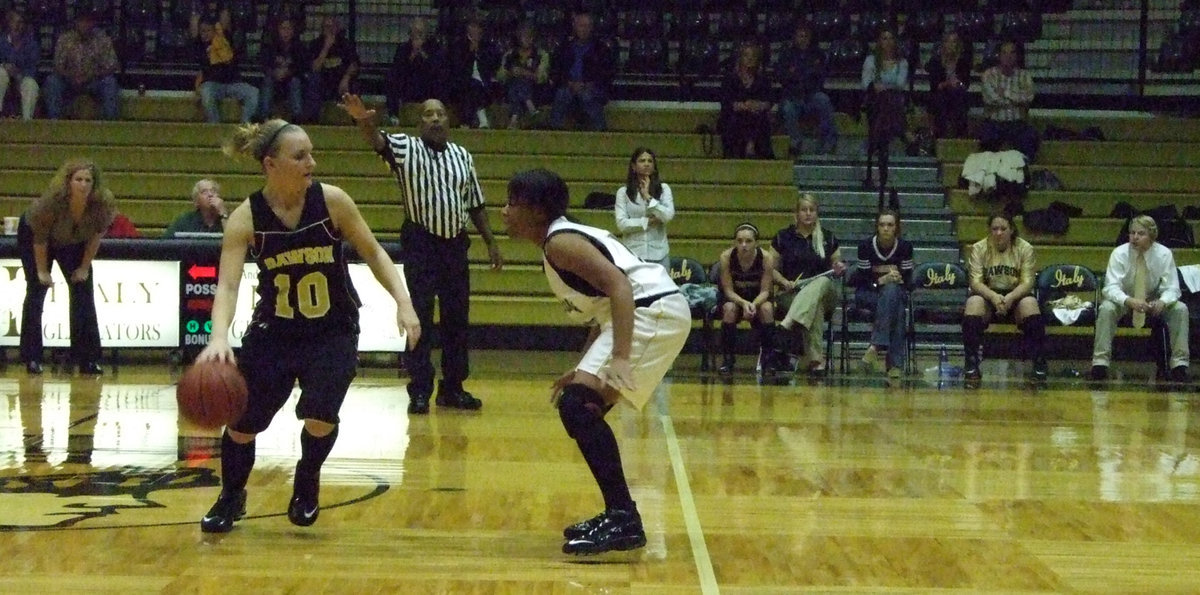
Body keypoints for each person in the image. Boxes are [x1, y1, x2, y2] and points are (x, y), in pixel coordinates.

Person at [195, 119, 421, 533]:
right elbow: (227, 286)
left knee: (320, 415)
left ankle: (307, 478)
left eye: (311, 154)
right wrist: (219, 336)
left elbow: (374, 252)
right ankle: (231, 495)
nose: (312, 163)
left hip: (333, 329)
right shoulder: (246, 218)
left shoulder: (332, 201)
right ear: (271, 164)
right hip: (275, 331)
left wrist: (404, 302)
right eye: (300, 156)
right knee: (242, 424)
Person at [500, 167, 690, 555]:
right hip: (644, 310)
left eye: (512, 203)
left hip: (652, 310)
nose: (504, 211)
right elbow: (605, 308)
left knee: (578, 406)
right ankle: (620, 515)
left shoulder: (561, 243)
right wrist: (584, 365)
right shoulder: (559, 241)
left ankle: (623, 517)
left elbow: (619, 286)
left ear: (537, 211)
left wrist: (619, 357)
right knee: (579, 403)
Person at [341, 93, 503, 415]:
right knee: (420, 319)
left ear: (449, 119)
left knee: (457, 320)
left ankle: (453, 388)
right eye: (428, 114)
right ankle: (419, 390)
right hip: (421, 244)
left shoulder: (462, 155)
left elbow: (475, 203)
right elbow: (376, 141)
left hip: (455, 245)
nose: (435, 118)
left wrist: (490, 241)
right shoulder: (407, 148)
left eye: (440, 113)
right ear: (420, 123)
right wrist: (362, 120)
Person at [17, 158, 115, 375]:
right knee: (36, 289)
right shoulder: (52, 202)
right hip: (35, 236)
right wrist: (42, 271)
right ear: (68, 182)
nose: (83, 184)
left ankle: (88, 359)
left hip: (73, 238)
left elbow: (96, 236)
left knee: (83, 289)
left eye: (88, 180)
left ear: (94, 183)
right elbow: (40, 238)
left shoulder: (102, 203)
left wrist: (84, 267)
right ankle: (32, 357)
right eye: (78, 179)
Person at [1091, 215, 1190, 383]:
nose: (1135, 237)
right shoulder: (1119, 253)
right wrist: (1128, 300)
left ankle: (1179, 365)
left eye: (1140, 233)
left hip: (1153, 299)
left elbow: (1172, 288)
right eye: (1132, 233)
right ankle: (1100, 363)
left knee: (1180, 309)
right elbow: (1110, 287)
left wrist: (1163, 301)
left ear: (1152, 236)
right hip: (1125, 299)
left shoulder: (1164, 254)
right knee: (1106, 308)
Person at [963, 212, 1046, 385]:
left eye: (1003, 229)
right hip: (988, 294)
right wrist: (994, 297)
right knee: (973, 303)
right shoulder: (979, 248)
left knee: (1030, 304)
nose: (998, 233)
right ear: (989, 230)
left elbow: (1028, 282)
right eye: (995, 229)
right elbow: (975, 282)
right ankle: (971, 361)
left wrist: (1010, 297)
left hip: (1016, 294)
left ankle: (1039, 361)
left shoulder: (1025, 248)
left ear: (1012, 230)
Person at [770, 194, 845, 375]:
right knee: (814, 306)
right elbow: (770, 270)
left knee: (822, 281)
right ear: (796, 213)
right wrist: (783, 281)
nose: (808, 213)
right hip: (791, 293)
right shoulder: (782, 237)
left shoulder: (828, 238)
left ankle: (786, 325)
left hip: (826, 293)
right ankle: (816, 361)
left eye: (812, 210)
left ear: (817, 213)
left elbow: (837, 266)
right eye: (804, 210)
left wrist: (839, 268)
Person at [852, 209, 914, 377]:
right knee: (896, 305)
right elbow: (862, 281)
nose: (886, 228)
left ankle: (874, 347)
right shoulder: (865, 246)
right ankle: (894, 364)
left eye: (890, 225)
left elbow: (908, 280)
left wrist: (899, 279)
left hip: (894, 293)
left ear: (896, 228)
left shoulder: (905, 247)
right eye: (882, 225)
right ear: (877, 227)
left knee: (893, 294)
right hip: (868, 294)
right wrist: (880, 281)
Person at [716, 223, 776, 376]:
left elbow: (765, 291)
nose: (744, 245)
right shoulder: (726, 257)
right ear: (734, 242)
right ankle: (728, 360)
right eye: (740, 241)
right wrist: (743, 304)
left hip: (758, 298)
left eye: (748, 241)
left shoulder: (766, 258)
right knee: (729, 309)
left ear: (756, 243)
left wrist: (753, 304)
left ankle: (768, 361)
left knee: (767, 309)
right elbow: (728, 290)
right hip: (735, 298)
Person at [42, 11, 121, 120]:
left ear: (93, 23)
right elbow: (57, 65)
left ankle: (110, 123)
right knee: (52, 81)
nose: (85, 25)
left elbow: (112, 65)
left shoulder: (103, 39)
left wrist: (92, 75)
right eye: (82, 21)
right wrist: (71, 75)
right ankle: (54, 122)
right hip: (70, 80)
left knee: (110, 83)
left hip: (94, 80)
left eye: (88, 21)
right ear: (76, 23)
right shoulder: (65, 39)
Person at [861, 28, 908, 208]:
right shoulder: (871, 60)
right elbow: (866, 83)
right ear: (879, 42)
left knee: (889, 98)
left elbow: (901, 84)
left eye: (890, 38)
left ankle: (878, 138)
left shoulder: (902, 62)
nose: (887, 42)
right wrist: (878, 87)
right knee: (883, 99)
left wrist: (883, 86)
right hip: (875, 102)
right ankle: (902, 131)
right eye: (884, 38)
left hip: (893, 102)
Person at [776, 22, 837, 156]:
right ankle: (795, 140)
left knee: (823, 100)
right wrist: (803, 75)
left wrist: (796, 74)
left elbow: (820, 75)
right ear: (795, 38)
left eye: (806, 36)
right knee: (787, 107)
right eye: (800, 36)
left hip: (812, 94)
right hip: (793, 96)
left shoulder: (818, 54)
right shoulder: (786, 54)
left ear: (810, 38)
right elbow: (782, 76)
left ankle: (828, 140)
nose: (803, 39)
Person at [547, 11, 613, 131]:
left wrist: (586, 84)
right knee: (561, 94)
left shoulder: (601, 49)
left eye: (588, 26)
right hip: (568, 86)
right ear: (575, 26)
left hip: (592, 87)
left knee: (586, 96)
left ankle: (601, 131)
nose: (584, 29)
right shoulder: (564, 48)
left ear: (592, 27)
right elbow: (556, 71)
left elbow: (607, 73)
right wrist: (569, 83)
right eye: (581, 25)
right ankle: (554, 132)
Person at [613, 147, 673, 269]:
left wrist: (648, 197)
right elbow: (622, 224)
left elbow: (667, 216)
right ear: (633, 166)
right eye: (642, 160)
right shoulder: (623, 192)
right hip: (632, 254)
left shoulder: (664, 189)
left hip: (659, 253)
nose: (646, 164)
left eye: (650, 161)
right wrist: (646, 222)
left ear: (654, 166)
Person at [192, 16, 258, 124]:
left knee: (253, 92)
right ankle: (215, 125)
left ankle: (245, 125)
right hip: (213, 85)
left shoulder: (226, 42)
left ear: (215, 31)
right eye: (202, 31)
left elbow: (232, 62)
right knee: (206, 93)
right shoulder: (197, 46)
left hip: (232, 83)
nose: (205, 34)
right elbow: (201, 71)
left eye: (208, 31)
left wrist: (220, 51)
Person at [979, 40, 1038, 162]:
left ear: (1017, 56)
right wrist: (1017, 100)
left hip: (1018, 123)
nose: (1008, 56)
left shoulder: (1025, 75)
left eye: (1012, 53)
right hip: (994, 123)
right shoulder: (988, 75)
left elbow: (1029, 97)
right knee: (986, 137)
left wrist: (1005, 93)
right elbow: (991, 99)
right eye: (1004, 53)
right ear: (998, 55)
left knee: (1031, 137)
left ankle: (1024, 167)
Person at [719, 41, 774, 160]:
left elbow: (769, 100)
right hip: (735, 116)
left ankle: (752, 146)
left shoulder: (763, 79)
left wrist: (759, 105)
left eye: (753, 56)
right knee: (739, 117)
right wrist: (743, 105)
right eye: (746, 55)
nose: (749, 59)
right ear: (740, 58)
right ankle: (742, 149)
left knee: (758, 116)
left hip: (757, 116)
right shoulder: (730, 78)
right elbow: (725, 101)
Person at [385, 17, 443, 124]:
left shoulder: (435, 48)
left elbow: (437, 68)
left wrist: (422, 53)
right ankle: (393, 115)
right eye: (414, 33)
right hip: (409, 82)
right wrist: (412, 55)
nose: (417, 36)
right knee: (391, 79)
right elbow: (399, 68)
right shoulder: (404, 48)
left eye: (420, 33)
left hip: (429, 82)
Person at [303, 16, 359, 124]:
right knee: (313, 83)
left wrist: (346, 78)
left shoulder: (345, 44)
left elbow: (354, 64)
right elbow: (315, 68)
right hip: (323, 81)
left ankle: (356, 120)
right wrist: (326, 47)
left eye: (332, 26)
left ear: (337, 28)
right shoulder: (315, 44)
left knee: (354, 87)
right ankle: (313, 120)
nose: (329, 30)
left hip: (341, 80)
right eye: (326, 27)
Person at [446, 17, 499, 129]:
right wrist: (470, 52)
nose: (476, 30)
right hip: (463, 82)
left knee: (476, 89)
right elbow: (457, 66)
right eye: (473, 26)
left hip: (484, 81)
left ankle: (466, 122)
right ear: (468, 28)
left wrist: (479, 52)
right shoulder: (459, 45)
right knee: (473, 88)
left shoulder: (487, 45)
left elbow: (492, 64)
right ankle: (480, 119)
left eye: (478, 27)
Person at [496, 22, 549, 129]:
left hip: (535, 90)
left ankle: (514, 118)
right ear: (519, 37)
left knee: (519, 84)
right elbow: (500, 76)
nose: (528, 39)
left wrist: (526, 73)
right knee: (516, 83)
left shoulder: (541, 54)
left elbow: (542, 77)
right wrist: (510, 73)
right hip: (512, 88)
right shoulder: (510, 55)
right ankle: (529, 105)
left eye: (530, 36)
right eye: (525, 36)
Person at [257, 17, 307, 122]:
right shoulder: (270, 46)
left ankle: (297, 118)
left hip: (291, 79)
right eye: (283, 28)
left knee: (295, 82)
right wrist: (274, 72)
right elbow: (264, 65)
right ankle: (263, 117)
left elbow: (302, 67)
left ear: (293, 31)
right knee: (267, 81)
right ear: (278, 30)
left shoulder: (299, 47)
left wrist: (288, 72)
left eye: (289, 28)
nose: (286, 32)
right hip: (274, 79)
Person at [925, 31, 972, 140]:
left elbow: (965, 83)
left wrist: (957, 83)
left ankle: (960, 134)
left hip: (957, 92)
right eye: (948, 41)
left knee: (958, 93)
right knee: (941, 98)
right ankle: (941, 134)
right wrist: (948, 83)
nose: (951, 45)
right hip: (940, 94)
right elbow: (934, 85)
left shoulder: (963, 62)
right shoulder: (935, 61)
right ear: (943, 44)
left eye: (954, 42)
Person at [0, 8, 40, 120]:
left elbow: (33, 68)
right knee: (0, 73)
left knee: (31, 84)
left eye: (20, 22)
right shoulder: (1, 42)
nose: (17, 26)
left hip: (22, 78)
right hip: (3, 79)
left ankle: (26, 121)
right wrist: (4, 66)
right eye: (14, 22)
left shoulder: (32, 45)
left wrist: (18, 74)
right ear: (9, 23)